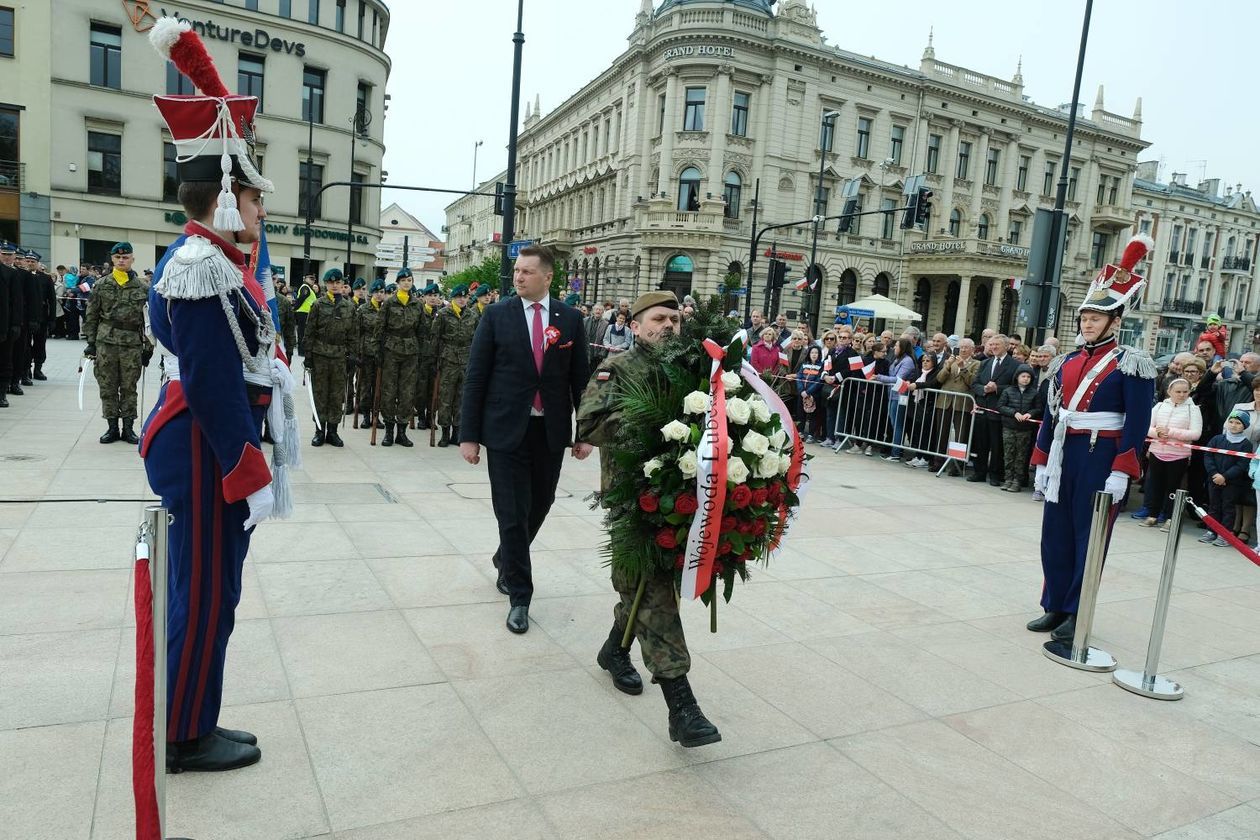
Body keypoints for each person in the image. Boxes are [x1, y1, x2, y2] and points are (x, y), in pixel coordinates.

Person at [142, 16, 289, 771]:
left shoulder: (211, 257)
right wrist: (245, 467)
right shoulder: (200, 265)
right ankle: (184, 734)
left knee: (211, 593)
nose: (262, 214)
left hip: (205, 446)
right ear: (226, 200)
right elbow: (211, 382)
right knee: (204, 595)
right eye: (253, 199)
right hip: (204, 449)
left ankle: (195, 714)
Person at [575, 290, 720, 748]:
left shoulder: (694, 372)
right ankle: (683, 707)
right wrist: (651, 424)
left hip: (683, 501)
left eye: (675, 319)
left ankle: (615, 650)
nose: (669, 326)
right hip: (631, 500)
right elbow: (590, 424)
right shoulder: (617, 370)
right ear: (635, 326)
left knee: (649, 585)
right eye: (659, 318)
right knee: (654, 593)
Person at [459, 244, 591, 634]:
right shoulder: (497, 315)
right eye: (517, 271)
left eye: (527, 272)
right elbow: (476, 377)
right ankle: (520, 595)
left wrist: (584, 432)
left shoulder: (570, 320)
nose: (518, 277)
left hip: (548, 431)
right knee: (511, 512)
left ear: (548, 277)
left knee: (540, 504)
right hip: (504, 430)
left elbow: (580, 381)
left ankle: (507, 557)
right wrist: (469, 436)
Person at [1030, 234, 1156, 643]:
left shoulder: (1131, 362)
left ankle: (1075, 611)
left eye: (1096, 317)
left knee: (1090, 536)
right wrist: (1043, 458)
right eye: (1084, 316)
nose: (1087, 322)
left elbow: (1137, 422)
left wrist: (1123, 469)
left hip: (1101, 456)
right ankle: (1054, 604)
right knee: (1056, 533)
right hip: (1067, 454)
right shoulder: (1067, 360)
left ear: (1115, 321)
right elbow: (1053, 413)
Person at [83, 242, 150, 444]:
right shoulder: (101, 285)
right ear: (112, 259)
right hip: (106, 343)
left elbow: (148, 321)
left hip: (132, 344)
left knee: (129, 386)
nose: (122, 260)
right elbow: (92, 315)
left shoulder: (143, 288)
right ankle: (112, 427)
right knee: (107, 385)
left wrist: (149, 346)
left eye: (126, 257)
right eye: (118, 257)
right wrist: (91, 342)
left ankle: (128, 428)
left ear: (132, 259)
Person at [1140, 378, 1201, 530]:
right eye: (1178, 392)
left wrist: (1171, 432)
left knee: (1173, 487)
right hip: (1157, 451)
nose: (1181, 395)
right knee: (1156, 485)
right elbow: (1146, 426)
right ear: (1169, 392)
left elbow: (1196, 434)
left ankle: (1170, 518)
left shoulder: (1193, 409)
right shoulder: (1160, 406)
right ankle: (1153, 515)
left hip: (1179, 454)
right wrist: (1157, 433)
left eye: (1185, 392)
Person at [302, 268, 354, 447]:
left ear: (342, 285)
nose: (335, 286)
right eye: (331, 283)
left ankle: (333, 431)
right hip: (320, 355)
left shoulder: (349, 306)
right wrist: (307, 356)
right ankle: (319, 430)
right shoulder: (318, 304)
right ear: (325, 284)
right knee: (320, 393)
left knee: (336, 394)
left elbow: (353, 334)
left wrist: (352, 356)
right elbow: (309, 332)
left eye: (338, 283)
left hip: (339, 355)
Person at [378, 268, 422, 447]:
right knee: (389, 391)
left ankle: (402, 432)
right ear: (397, 283)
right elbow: (379, 328)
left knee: (407, 392)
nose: (406, 283)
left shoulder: (417, 304)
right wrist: (378, 352)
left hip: (410, 351)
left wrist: (421, 352)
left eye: (409, 280)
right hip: (391, 349)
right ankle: (389, 430)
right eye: (403, 280)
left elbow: (422, 330)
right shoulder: (389, 303)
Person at [431, 283, 478, 446]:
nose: (462, 300)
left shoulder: (472, 315)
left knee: (461, 398)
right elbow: (435, 338)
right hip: (448, 359)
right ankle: (445, 432)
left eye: (465, 297)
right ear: (453, 298)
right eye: (459, 297)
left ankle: (457, 432)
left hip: (466, 359)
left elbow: (476, 339)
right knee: (446, 397)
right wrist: (433, 361)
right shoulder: (443, 314)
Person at [968, 334, 1017, 485]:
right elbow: (975, 384)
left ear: (1006, 346)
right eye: (992, 344)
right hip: (982, 409)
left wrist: (997, 388)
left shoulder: (1014, 365)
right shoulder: (985, 363)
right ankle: (979, 472)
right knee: (981, 443)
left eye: (997, 344)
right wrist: (984, 389)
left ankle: (995, 475)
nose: (993, 347)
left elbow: (1015, 387)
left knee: (997, 446)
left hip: (999, 411)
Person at [1199, 411, 1253, 546]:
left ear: (1244, 426)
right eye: (1231, 422)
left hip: (1232, 483)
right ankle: (1211, 531)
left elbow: (1242, 464)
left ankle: (1225, 534)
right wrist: (1214, 474)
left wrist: (1225, 476)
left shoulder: (1246, 444)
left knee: (1228, 508)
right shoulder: (1217, 439)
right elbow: (1208, 456)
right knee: (1214, 506)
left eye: (1238, 423)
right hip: (1214, 479)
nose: (1234, 425)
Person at [933, 337, 980, 477]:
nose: (963, 350)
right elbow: (939, 379)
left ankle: (957, 465)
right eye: (961, 347)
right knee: (941, 433)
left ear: (972, 350)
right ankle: (938, 461)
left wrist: (963, 367)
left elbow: (973, 382)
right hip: (945, 401)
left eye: (966, 347)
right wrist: (948, 365)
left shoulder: (977, 363)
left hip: (963, 403)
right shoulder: (951, 361)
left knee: (961, 435)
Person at [997, 363, 1043, 492]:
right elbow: (1000, 406)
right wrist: (1014, 413)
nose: (1025, 379)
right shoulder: (1008, 391)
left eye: (1028, 376)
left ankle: (1017, 480)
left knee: (1021, 456)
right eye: (1023, 376)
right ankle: (1008, 479)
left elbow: (1038, 408)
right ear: (1017, 377)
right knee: (1008, 454)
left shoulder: (1034, 393)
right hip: (1009, 427)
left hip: (1025, 429)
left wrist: (1030, 413)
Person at [873, 337, 917, 462]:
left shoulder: (907, 361)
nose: (894, 348)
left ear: (902, 348)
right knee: (894, 423)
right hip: (892, 394)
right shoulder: (898, 359)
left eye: (897, 346)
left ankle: (896, 453)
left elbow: (898, 378)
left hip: (900, 396)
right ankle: (895, 451)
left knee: (897, 424)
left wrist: (879, 377)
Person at [354, 278, 387, 431]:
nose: (379, 295)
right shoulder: (363, 310)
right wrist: (357, 353)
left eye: (382, 292)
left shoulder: (387, 310)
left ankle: (376, 415)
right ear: (371, 293)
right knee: (366, 386)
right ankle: (366, 415)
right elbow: (357, 333)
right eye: (376, 292)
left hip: (383, 353)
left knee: (379, 386)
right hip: (367, 352)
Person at [414, 282, 442, 430]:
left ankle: (431, 416)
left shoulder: (442, 314)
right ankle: (421, 416)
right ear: (424, 297)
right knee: (421, 389)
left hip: (436, 356)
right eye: (430, 295)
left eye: (435, 296)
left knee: (434, 389)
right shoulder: (419, 312)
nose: (432, 298)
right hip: (421, 356)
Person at [795, 344, 825, 441]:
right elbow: (799, 377)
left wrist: (808, 392)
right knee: (800, 413)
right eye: (812, 352)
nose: (814, 354)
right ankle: (800, 432)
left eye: (816, 353)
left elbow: (819, 381)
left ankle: (811, 434)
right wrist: (801, 391)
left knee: (813, 415)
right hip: (802, 394)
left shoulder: (821, 366)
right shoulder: (804, 364)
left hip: (814, 394)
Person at [293, 273, 318, 351]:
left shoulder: (309, 288)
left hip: (306, 313)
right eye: (311, 278)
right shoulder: (305, 287)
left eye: (314, 278)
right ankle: (302, 350)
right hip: (304, 313)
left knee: (304, 332)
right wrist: (295, 309)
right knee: (303, 332)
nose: (313, 280)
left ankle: (303, 349)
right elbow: (301, 298)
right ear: (305, 278)